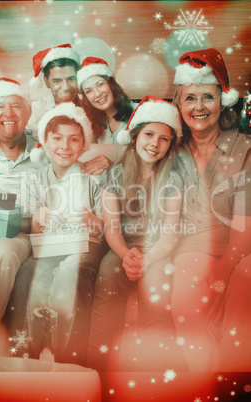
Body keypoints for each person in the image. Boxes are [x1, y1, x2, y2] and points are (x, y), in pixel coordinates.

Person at [87, 95, 186, 371]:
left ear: (170, 145)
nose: (154, 143)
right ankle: (98, 365)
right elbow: (112, 228)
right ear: (135, 137)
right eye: (149, 134)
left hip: (157, 250)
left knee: (158, 280)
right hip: (121, 246)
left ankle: (153, 369)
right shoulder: (114, 176)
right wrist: (125, 254)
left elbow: (169, 234)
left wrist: (148, 259)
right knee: (109, 271)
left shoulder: (173, 178)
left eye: (164, 139)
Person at [4, 102, 105, 367]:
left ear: (83, 145)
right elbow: (33, 231)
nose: (65, 146)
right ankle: (24, 354)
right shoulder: (34, 180)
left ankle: (67, 355)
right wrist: (39, 220)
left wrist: (92, 220)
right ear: (45, 142)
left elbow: (105, 229)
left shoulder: (93, 177)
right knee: (29, 274)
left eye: (74, 140)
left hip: (84, 247)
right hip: (48, 247)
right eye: (57, 139)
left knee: (71, 270)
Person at [171, 48, 251, 371]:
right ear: (179, 105)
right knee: (186, 298)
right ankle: (209, 379)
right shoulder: (170, 149)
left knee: (245, 286)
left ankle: (227, 383)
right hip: (192, 249)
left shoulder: (244, 147)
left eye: (208, 97)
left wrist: (224, 270)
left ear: (223, 101)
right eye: (190, 98)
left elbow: (245, 224)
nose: (199, 107)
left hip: (241, 248)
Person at [0, 77, 43, 345]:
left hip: (22, 235)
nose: (8, 114)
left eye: (16, 106)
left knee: (2, 250)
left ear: (28, 112)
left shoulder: (47, 149)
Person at [77, 57, 137, 175]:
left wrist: (114, 166)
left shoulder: (140, 112)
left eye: (100, 84)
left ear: (111, 84)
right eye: (89, 91)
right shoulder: (91, 124)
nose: (97, 94)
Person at [27, 43, 81, 136]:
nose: (66, 87)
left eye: (72, 79)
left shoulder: (92, 110)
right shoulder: (33, 114)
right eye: (57, 81)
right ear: (46, 82)